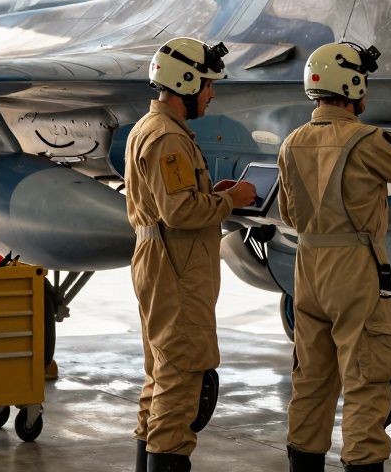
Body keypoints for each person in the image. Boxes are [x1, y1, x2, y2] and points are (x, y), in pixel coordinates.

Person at [279, 41, 391, 472]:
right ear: (353, 85)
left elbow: (286, 212)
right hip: (354, 270)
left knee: (311, 380)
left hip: (307, 268)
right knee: (365, 379)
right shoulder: (366, 139)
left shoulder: (292, 143)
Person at [125, 36, 257, 472]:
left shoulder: (152, 129)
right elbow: (179, 211)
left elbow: (175, 200)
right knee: (180, 381)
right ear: (185, 83)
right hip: (175, 264)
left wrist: (210, 194)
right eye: (207, 85)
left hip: (159, 259)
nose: (212, 93)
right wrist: (231, 200)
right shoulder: (168, 138)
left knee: (160, 378)